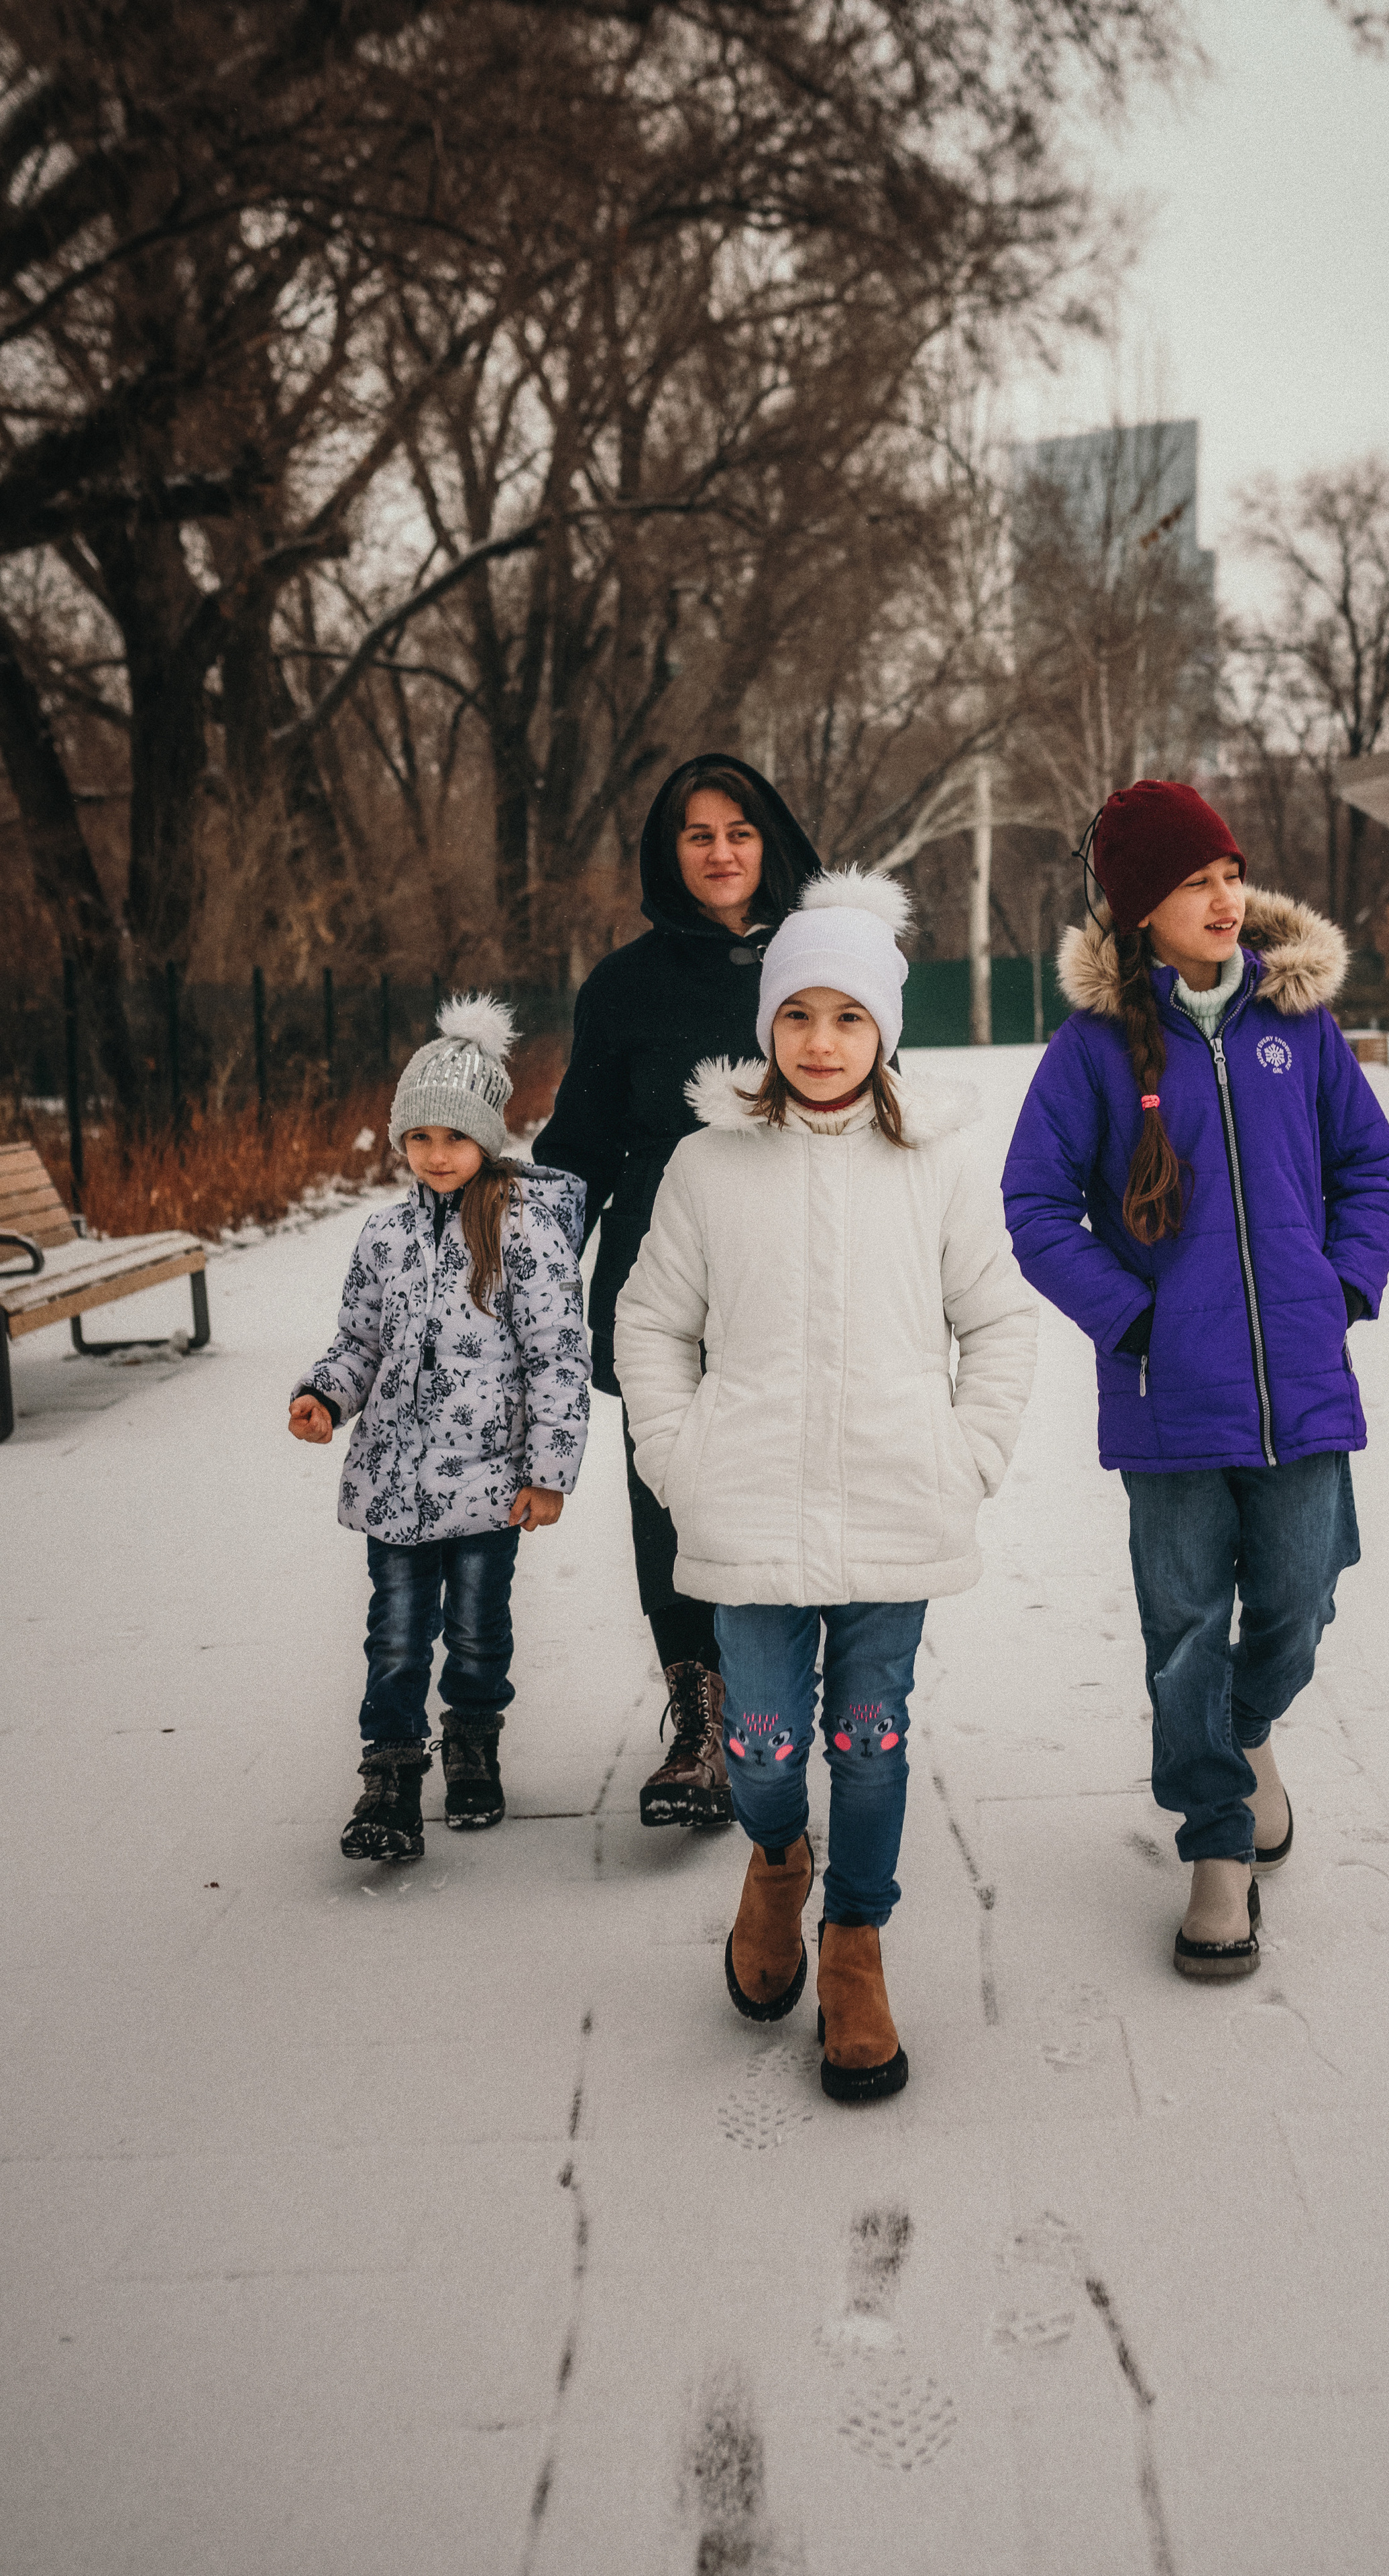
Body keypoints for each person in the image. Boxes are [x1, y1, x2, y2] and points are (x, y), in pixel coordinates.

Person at [614, 871, 1037, 2099]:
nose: (820, 1041)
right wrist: (679, 1460)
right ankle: (777, 1861)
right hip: (744, 1511)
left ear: (885, 1030)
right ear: (768, 1030)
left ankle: (854, 1937)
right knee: (760, 1745)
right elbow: (650, 1324)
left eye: (848, 1017)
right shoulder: (711, 1165)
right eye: (798, 1015)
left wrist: (970, 1455)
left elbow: (1000, 1320)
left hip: (898, 1503)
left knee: (870, 1737)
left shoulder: (940, 1165)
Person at [1001, 782, 1389, 1980]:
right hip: (1168, 1401)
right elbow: (1034, 1206)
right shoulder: (1089, 1054)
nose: (1227, 897)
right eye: (1194, 882)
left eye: (1230, 871)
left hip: (1302, 1386)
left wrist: (1339, 1288)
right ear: (1140, 913)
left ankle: (1243, 1736)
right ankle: (1218, 1849)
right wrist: (1135, 1320)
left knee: (1300, 1598)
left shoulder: (1300, 1027)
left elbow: (1369, 1163)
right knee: (1184, 1634)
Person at [534, 757, 822, 1829]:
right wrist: (524, 1274)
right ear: (669, 853)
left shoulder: (820, 965)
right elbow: (579, 1147)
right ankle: (699, 1720)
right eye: (697, 835)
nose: (721, 852)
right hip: (657, 1284)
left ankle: (784, 1694)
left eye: (739, 830)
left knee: (787, 1482)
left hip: (795, 1273)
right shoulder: (625, 984)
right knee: (670, 1497)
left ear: (770, 839)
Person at [290, 996, 590, 1862]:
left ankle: (471, 1741)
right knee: (394, 1635)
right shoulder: (383, 1240)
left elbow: (559, 1359)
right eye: (418, 1138)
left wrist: (549, 1471)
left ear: (487, 1139)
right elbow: (360, 1341)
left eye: (453, 1138)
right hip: (394, 1484)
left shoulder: (523, 1234)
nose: (435, 1154)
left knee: (475, 1632)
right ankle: (388, 1772)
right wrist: (326, 1395)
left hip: (490, 1485)